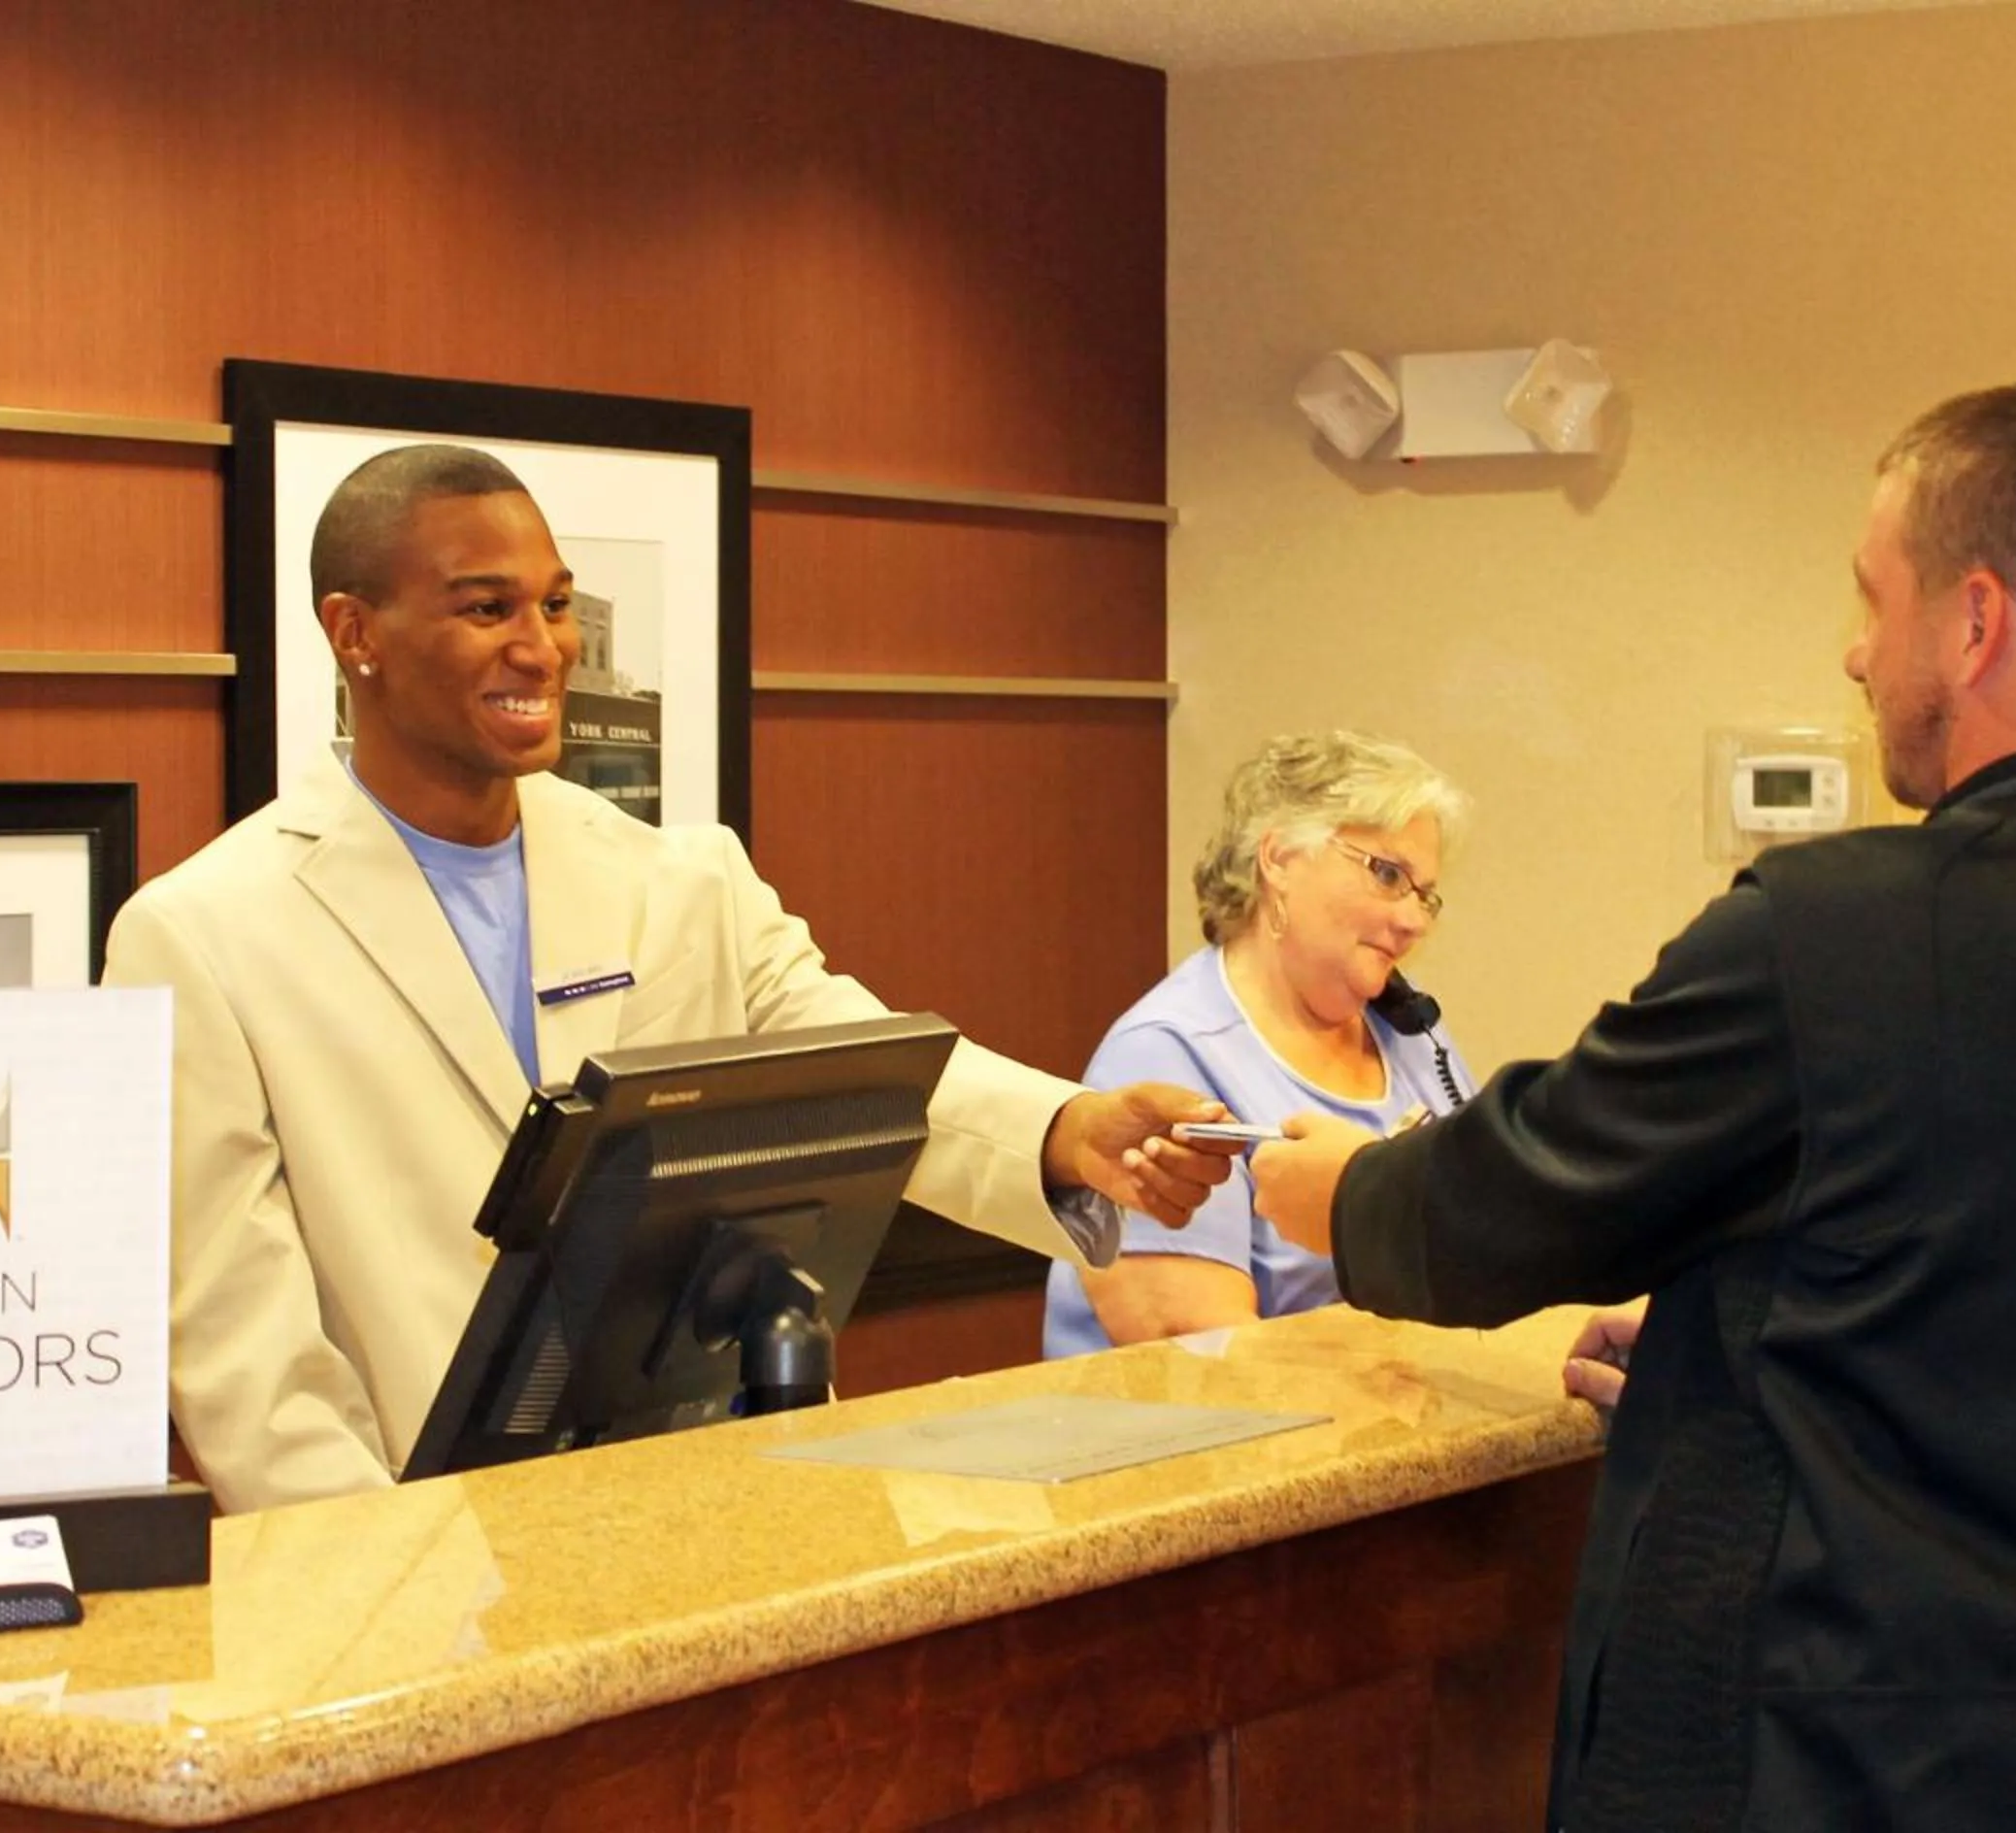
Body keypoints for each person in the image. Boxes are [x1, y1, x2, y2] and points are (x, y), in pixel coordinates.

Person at [1251, 380, 2016, 1831]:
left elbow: (1519, 1199)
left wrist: (1338, 1189)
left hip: (1857, 1781)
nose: (1856, 655)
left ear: (1975, 622)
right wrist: (1744, 1322)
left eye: (1874, 600)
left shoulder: (1833, 937)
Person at [105, 444, 1233, 1515]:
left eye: (554, 604)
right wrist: (387, 1595)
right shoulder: (203, 934)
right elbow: (246, 1360)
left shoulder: (681, 876)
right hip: (425, 1558)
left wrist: (1070, 1130)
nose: (543, 646)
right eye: (486, 608)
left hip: (719, 1514)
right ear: (356, 632)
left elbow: (859, 1068)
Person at [1042, 731, 1472, 1355]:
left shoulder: (1411, 1034)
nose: (1413, 922)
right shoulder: (1165, 1052)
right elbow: (1194, 1349)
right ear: (1277, 860)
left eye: (1425, 894)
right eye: (1387, 874)